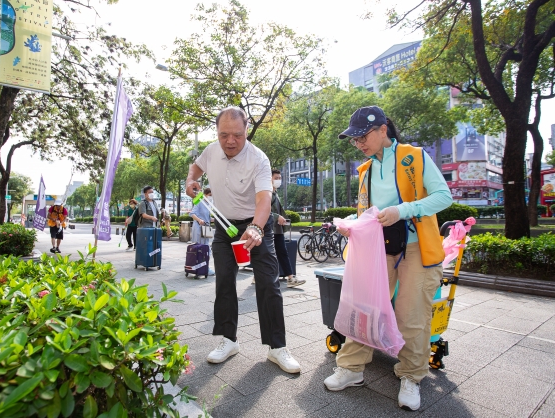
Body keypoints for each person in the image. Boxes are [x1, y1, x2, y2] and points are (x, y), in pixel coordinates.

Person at [324, 106, 452, 411]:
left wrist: (402, 210)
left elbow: (443, 196)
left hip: (416, 246)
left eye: (362, 136)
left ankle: (410, 376)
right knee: (364, 309)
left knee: (411, 315)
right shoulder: (365, 170)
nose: (358, 144)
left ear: (383, 129)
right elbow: (368, 213)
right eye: (354, 140)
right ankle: (351, 369)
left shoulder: (415, 156)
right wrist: (352, 225)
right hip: (378, 248)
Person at [185, 106, 301, 374]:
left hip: (256, 225)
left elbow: (264, 199)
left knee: (269, 283)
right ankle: (228, 340)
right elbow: (196, 168)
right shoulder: (212, 150)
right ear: (217, 132)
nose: (230, 141)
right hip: (224, 228)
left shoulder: (259, 159)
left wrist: (257, 228)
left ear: (246, 130)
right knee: (224, 281)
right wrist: (191, 180)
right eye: (223, 134)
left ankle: (277, 347)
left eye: (237, 134)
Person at [271, 169, 305, 288]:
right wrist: (277, 217)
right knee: (272, 254)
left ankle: (290, 278)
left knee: (281, 253)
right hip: (270, 230)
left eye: (280, 178)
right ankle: (290, 278)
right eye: (276, 178)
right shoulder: (268, 194)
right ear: (269, 179)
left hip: (277, 229)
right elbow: (263, 211)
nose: (278, 181)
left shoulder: (275, 194)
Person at [189, 187, 215, 276]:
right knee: (200, 247)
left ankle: (204, 266)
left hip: (206, 228)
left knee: (206, 248)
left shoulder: (208, 205)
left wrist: (214, 219)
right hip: (199, 228)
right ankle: (201, 267)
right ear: (205, 195)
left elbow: (207, 218)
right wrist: (199, 220)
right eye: (210, 195)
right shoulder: (200, 202)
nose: (211, 197)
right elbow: (192, 213)